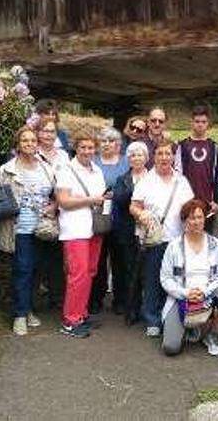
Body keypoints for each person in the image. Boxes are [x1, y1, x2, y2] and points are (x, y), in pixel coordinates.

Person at [0, 126, 56, 336]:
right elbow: (0, 200)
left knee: (38, 272)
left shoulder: (47, 168)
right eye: (25, 141)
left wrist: (53, 207)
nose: (29, 144)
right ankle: (19, 315)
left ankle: (29, 309)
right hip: (20, 229)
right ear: (18, 145)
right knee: (23, 270)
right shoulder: (6, 170)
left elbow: (56, 196)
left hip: (44, 228)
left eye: (32, 141)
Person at [130, 139, 194, 338]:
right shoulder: (146, 180)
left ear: (173, 156)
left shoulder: (181, 180)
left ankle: (173, 319)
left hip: (178, 240)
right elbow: (133, 206)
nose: (164, 157)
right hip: (154, 240)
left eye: (168, 153)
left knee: (176, 281)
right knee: (152, 280)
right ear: (154, 157)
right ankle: (152, 319)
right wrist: (141, 215)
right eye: (160, 154)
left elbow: (190, 207)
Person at [160, 199, 218, 357]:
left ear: (205, 218)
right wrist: (185, 293)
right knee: (170, 348)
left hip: (207, 295)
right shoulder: (173, 247)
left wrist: (205, 292)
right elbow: (165, 279)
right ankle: (191, 329)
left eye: (199, 217)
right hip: (181, 298)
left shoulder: (216, 245)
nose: (196, 222)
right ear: (185, 221)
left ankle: (212, 335)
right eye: (191, 218)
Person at [55, 130, 109, 338]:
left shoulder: (97, 170)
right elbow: (64, 201)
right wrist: (90, 200)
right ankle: (70, 320)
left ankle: (81, 313)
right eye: (83, 147)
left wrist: (103, 198)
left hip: (94, 228)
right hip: (75, 229)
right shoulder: (66, 169)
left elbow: (99, 196)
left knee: (90, 272)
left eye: (90, 147)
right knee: (77, 275)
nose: (87, 151)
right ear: (75, 148)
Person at [91, 126, 130, 314]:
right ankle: (96, 298)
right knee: (98, 261)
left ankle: (120, 299)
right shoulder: (92, 161)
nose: (107, 144)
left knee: (120, 261)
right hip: (97, 218)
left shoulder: (126, 162)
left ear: (119, 144)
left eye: (111, 141)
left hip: (121, 219)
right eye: (104, 141)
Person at [173, 106, 218, 230]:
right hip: (186, 203)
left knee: (206, 241)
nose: (200, 125)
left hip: (208, 205)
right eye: (197, 122)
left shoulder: (214, 147)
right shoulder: (182, 146)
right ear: (192, 122)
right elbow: (177, 174)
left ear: (208, 123)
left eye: (203, 122)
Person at [112, 141, 149, 325]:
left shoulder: (154, 177)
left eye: (140, 154)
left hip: (150, 231)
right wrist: (138, 190)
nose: (136, 158)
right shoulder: (122, 179)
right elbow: (119, 199)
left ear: (146, 157)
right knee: (130, 270)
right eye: (133, 155)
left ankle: (147, 307)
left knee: (148, 271)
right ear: (128, 159)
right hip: (128, 231)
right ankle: (131, 308)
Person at [36, 117, 70, 310]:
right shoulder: (33, 152)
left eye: (52, 131)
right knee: (37, 256)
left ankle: (57, 298)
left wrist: (56, 204)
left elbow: (67, 182)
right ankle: (33, 301)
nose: (48, 135)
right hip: (37, 210)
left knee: (57, 257)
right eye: (45, 131)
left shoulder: (63, 156)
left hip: (59, 209)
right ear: (38, 133)